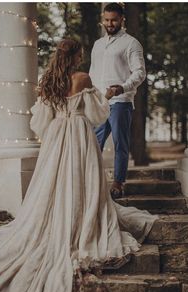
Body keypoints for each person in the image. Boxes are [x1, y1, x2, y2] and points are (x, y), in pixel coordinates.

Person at [0, 39, 158, 292]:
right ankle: (81, 220)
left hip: (56, 136)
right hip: (78, 133)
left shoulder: (48, 81)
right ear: (76, 55)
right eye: (80, 54)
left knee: (53, 181)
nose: (81, 58)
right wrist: (106, 95)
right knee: (83, 180)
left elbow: (41, 120)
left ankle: (61, 216)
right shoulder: (83, 78)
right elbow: (98, 114)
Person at [89, 3, 146, 199]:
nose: (109, 23)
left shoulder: (131, 43)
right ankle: (91, 180)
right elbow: (92, 73)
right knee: (92, 142)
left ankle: (118, 182)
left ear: (122, 19)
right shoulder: (97, 44)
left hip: (121, 101)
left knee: (120, 143)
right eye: (106, 19)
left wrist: (123, 87)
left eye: (113, 20)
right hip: (100, 102)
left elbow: (140, 72)